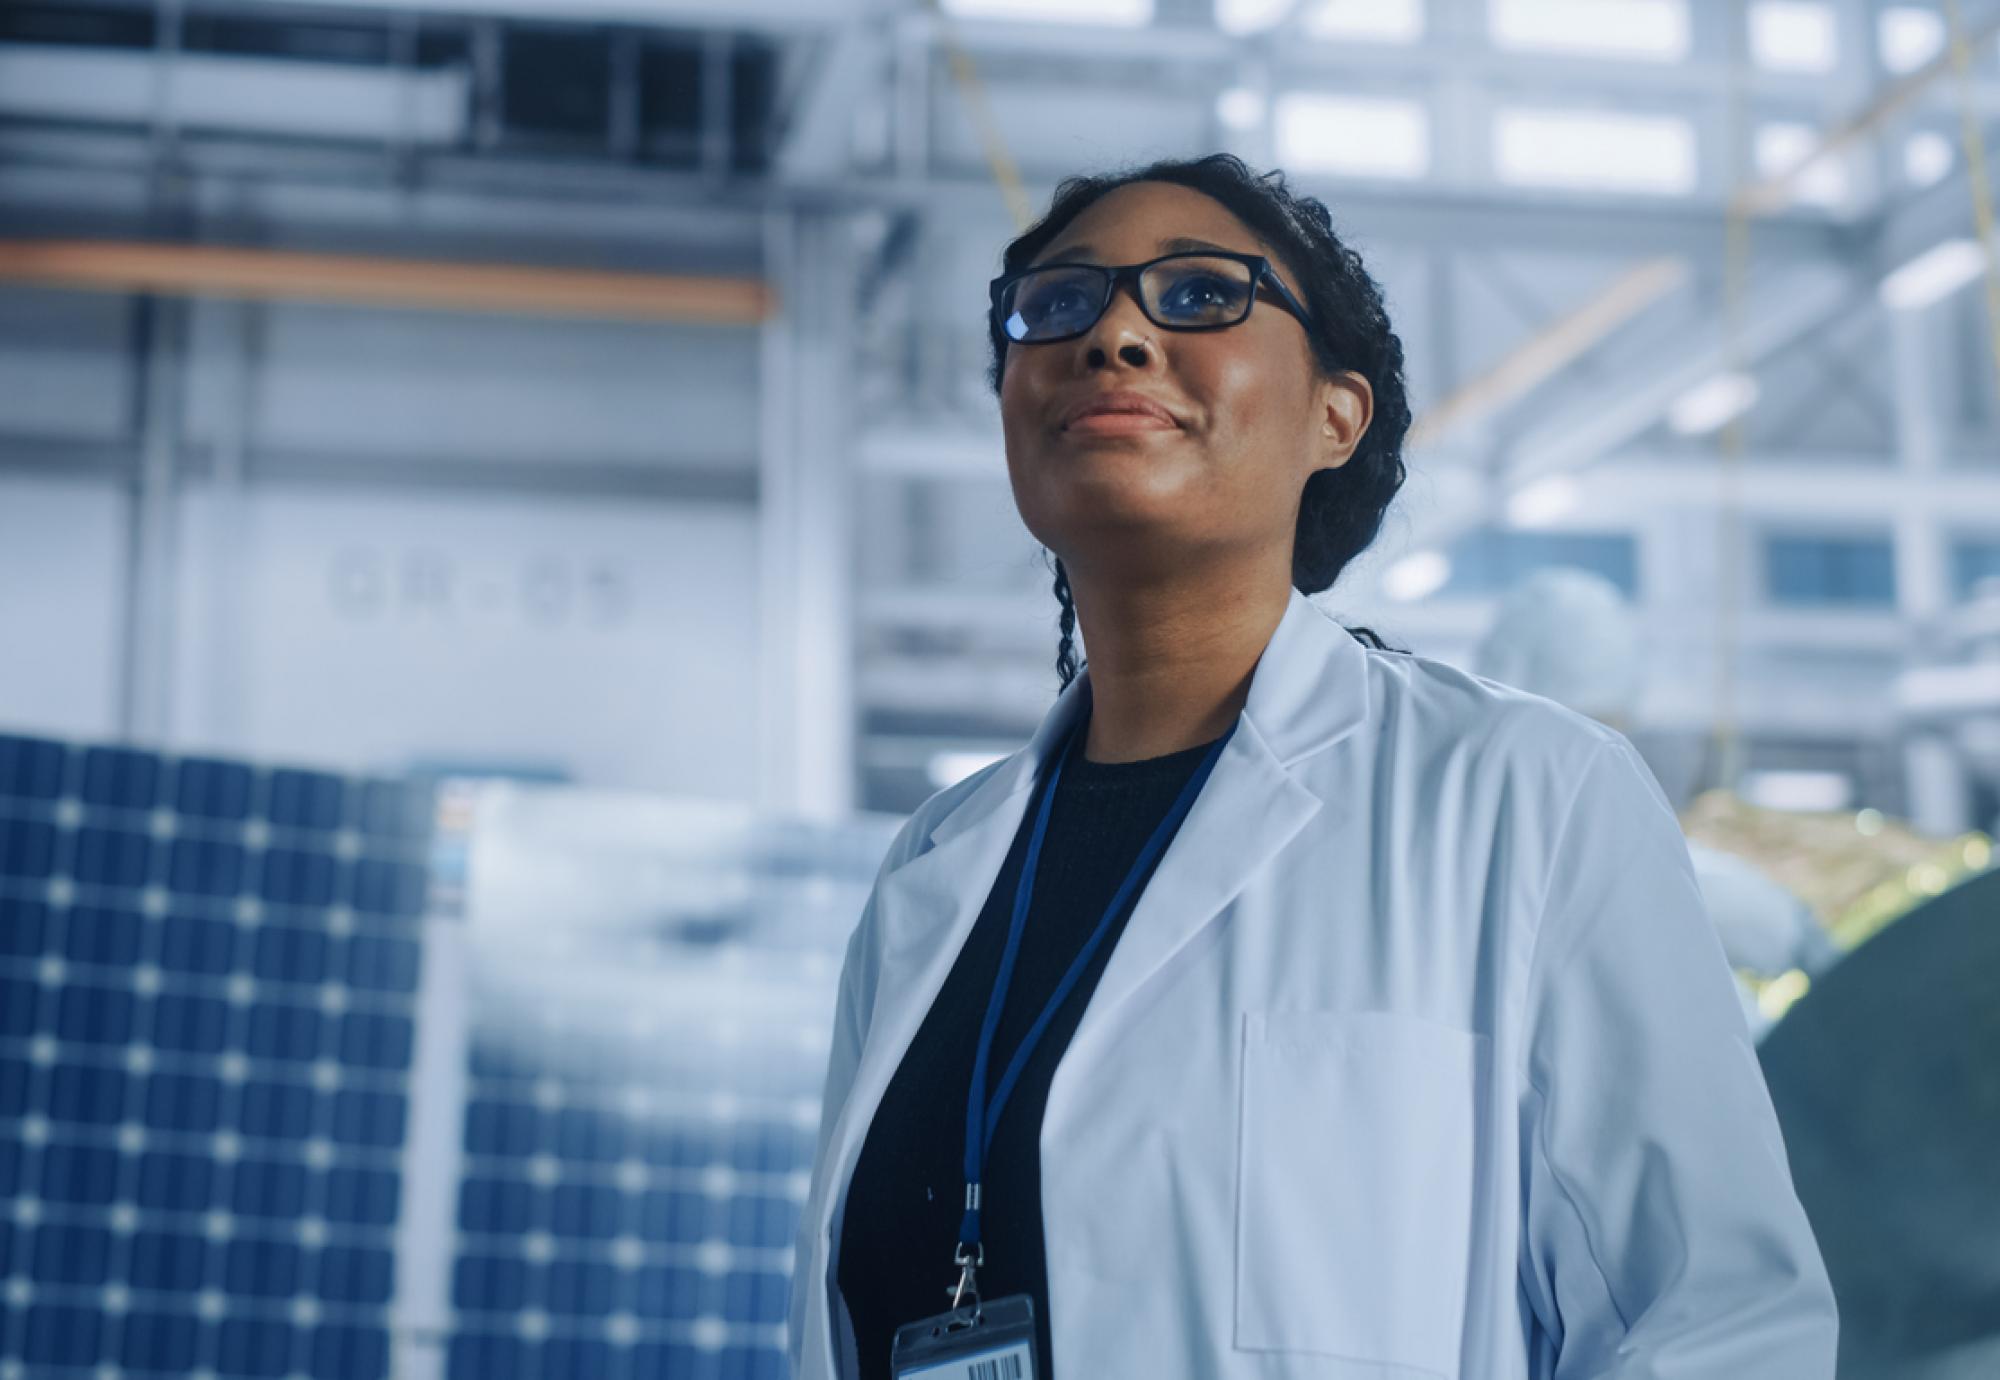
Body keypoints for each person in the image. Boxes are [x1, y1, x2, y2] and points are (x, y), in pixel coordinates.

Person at [788, 154, 1837, 1379]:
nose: (1114, 331)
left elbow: (1713, 1329)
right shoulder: (936, 867)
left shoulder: (1522, 798)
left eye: (1198, 295)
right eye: (1057, 303)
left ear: (1334, 416)